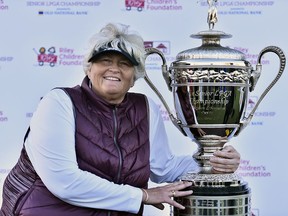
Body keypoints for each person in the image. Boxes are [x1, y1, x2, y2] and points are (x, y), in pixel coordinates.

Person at [0, 23, 240, 216]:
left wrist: (213, 162)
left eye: (124, 64)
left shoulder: (145, 108)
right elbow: (65, 182)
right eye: (105, 60)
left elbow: (164, 167)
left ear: (134, 77)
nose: (114, 69)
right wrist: (143, 196)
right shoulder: (59, 102)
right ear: (89, 68)